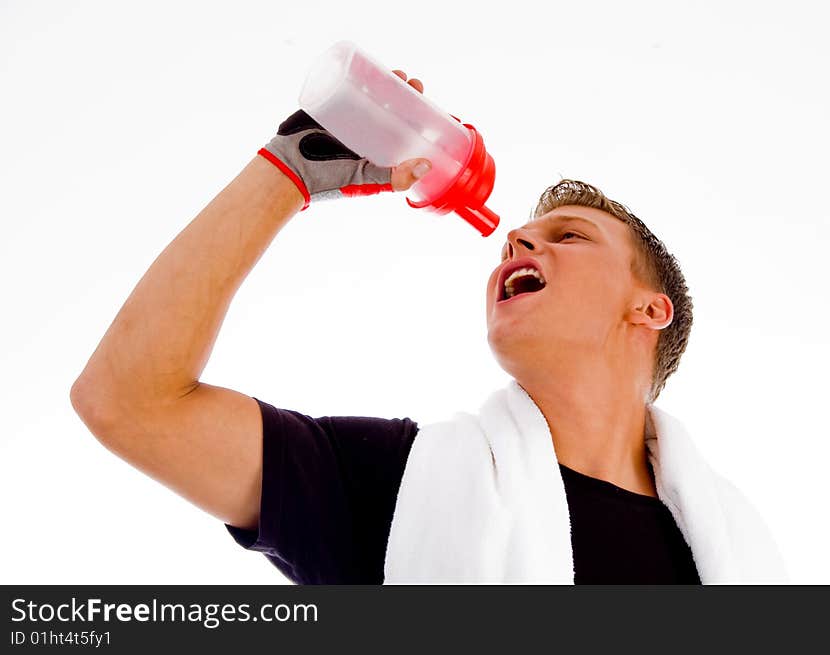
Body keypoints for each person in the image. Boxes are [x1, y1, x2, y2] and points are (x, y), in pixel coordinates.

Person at [71, 70, 786, 584]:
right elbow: (128, 400)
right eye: (516, 240)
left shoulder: (734, 548)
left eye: (568, 236)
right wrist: (286, 172)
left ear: (649, 309)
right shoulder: (401, 486)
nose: (517, 245)